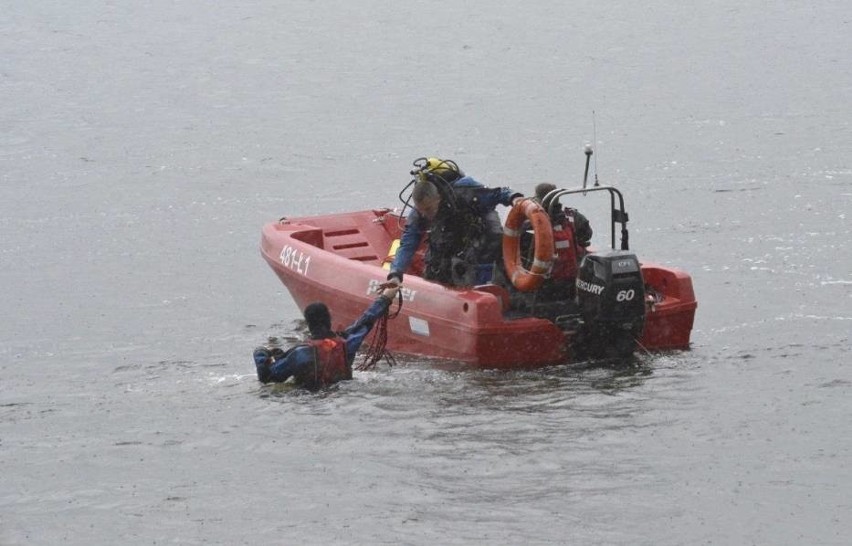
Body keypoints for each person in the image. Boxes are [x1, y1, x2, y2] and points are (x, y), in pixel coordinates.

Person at [387, 157, 523, 287]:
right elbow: (407, 243)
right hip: (451, 234)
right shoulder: (420, 212)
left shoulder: (465, 192)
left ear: (438, 198)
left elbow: (499, 193)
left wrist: (515, 198)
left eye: (428, 209)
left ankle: (487, 285)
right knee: (437, 258)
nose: (424, 214)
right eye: (420, 210)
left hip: (478, 228)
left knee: (492, 241)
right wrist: (395, 273)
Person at [253, 283, 400, 390]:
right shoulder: (347, 344)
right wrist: (385, 298)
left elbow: (267, 377)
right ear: (329, 320)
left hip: (306, 401)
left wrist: (261, 353)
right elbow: (366, 321)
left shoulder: (298, 354)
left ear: (309, 325)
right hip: (343, 393)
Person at [531, 182, 593, 298]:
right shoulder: (572, 216)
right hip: (574, 280)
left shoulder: (531, 222)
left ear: (539, 199)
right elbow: (587, 235)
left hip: (545, 285)